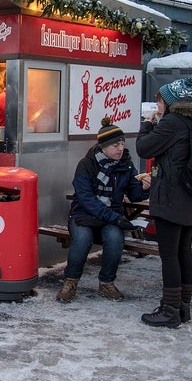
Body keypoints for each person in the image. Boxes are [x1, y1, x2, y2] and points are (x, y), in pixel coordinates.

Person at [136, 76, 192, 327]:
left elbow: (144, 148)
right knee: (184, 252)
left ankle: (170, 310)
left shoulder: (172, 122)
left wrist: (148, 126)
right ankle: (183, 307)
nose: (158, 105)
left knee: (169, 254)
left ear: (170, 101)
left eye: (160, 100)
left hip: (171, 197)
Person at [56, 118, 150, 303]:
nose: (120, 148)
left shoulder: (126, 165)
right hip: (83, 215)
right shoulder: (87, 164)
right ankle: (70, 282)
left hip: (109, 217)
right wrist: (115, 217)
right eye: (116, 145)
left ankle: (106, 282)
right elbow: (86, 199)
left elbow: (134, 194)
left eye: (122, 144)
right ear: (104, 146)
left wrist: (146, 188)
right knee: (83, 239)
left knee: (115, 239)